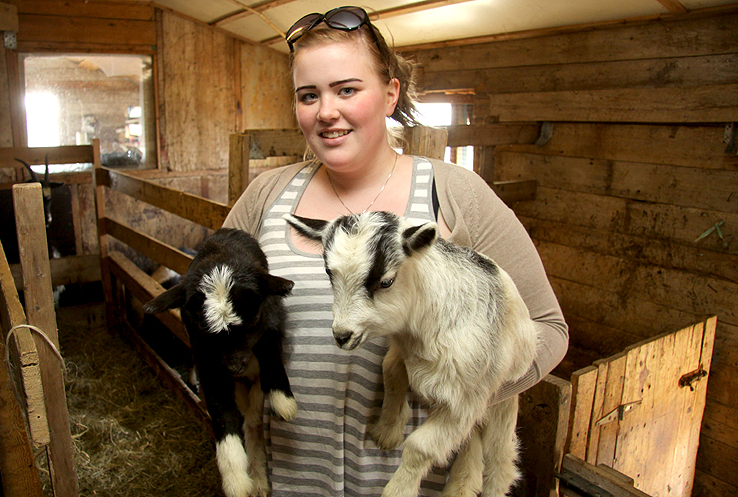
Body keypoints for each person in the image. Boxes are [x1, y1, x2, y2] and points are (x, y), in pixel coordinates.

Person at [222, 6, 568, 496]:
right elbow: (210, 308)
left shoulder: (455, 195)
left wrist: (466, 392)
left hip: (415, 479)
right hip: (290, 478)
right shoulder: (266, 197)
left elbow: (548, 328)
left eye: (347, 89)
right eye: (308, 95)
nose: (325, 111)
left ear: (390, 94)